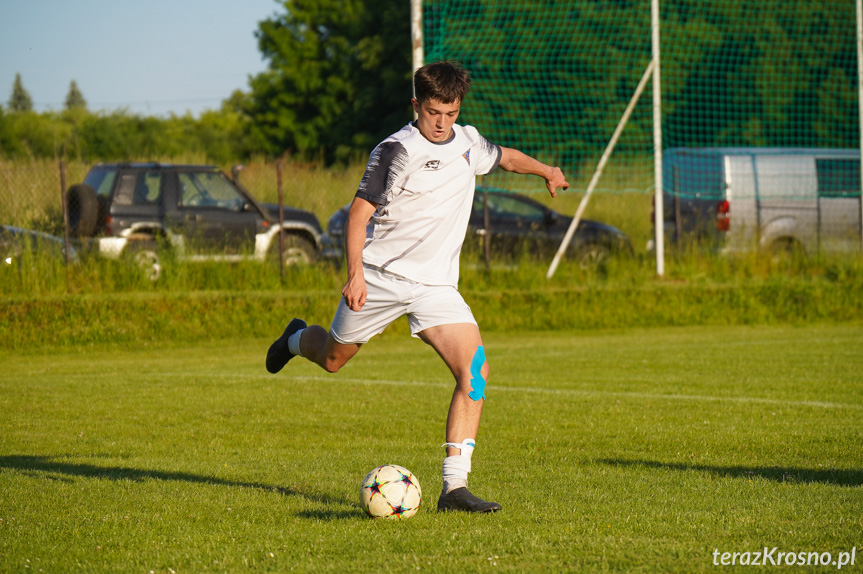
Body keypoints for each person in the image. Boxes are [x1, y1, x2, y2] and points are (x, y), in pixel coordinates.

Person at [266, 60, 569, 513]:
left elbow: (503, 156)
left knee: (477, 373)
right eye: (433, 113)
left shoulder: (467, 141)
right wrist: (356, 274)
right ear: (416, 105)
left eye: (450, 113)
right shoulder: (395, 150)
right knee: (332, 358)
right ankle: (294, 339)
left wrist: (546, 170)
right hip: (382, 278)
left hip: (437, 287)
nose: (442, 123)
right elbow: (358, 214)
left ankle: (455, 487)